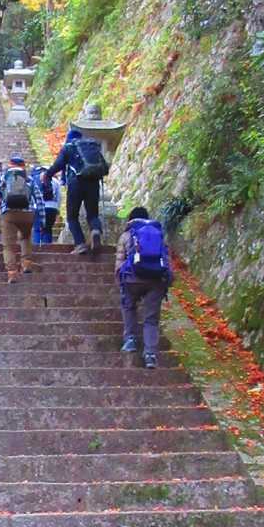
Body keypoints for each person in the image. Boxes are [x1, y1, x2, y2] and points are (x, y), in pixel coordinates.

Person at [114, 205, 173, 368]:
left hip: (132, 279)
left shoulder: (127, 235)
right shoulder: (158, 234)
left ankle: (130, 339)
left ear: (130, 219)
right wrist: (167, 282)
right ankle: (150, 354)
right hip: (156, 280)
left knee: (128, 306)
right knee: (151, 319)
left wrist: (120, 282)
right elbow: (165, 259)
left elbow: (119, 262)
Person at [47, 125, 108, 256]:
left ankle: (80, 244)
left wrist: (47, 175)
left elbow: (58, 165)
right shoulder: (92, 147)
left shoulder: (69, 147)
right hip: (93, 183)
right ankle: (95, 231)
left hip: (76, 183)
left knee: (72, 216)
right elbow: (105, 168)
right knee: (93, 214)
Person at [0, 153, 44, 283]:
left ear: (10, 165)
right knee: (25, 237)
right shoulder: (29, 179)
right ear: (23, 166)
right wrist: (42, 220)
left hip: (9, 213)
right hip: (27, 214)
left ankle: (12, 273)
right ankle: (26, 263)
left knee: (8, 245)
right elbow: (39, 199)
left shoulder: (5, 177)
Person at [31, 165, 60, 245]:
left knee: (37, 229)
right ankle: (48, 248)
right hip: (52, 208)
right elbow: (58, 197)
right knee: (48, 229)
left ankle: (37, 249)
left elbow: (32, 196)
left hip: (38, 207)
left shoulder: (35, 180)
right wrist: (57, 210)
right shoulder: (55, 181)